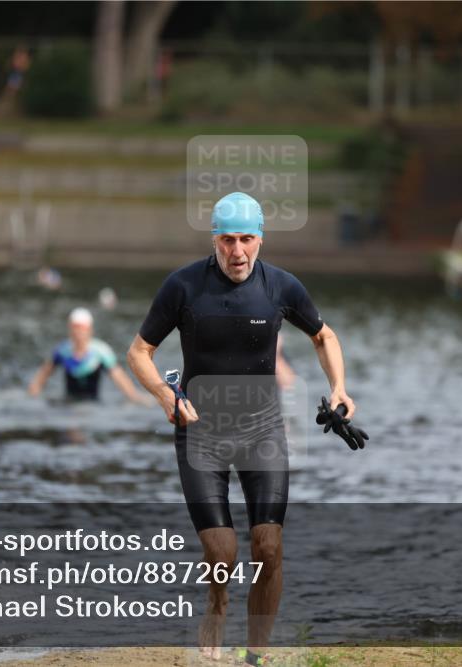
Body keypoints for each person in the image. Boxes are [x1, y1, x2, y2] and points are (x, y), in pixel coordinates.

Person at [126, 191, 357, 665]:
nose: (237, 251)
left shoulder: (281, 287)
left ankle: (256, 654)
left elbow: (323, 336)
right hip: (201, 435)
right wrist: (166, 395)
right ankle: (216, 603)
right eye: (228, 240)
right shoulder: (184, 287)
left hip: (262, 432)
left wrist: (339, 388)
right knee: (223, 551)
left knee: (268, 546)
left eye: (247, 239)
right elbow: (138, 352)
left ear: (261, 240)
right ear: (214, 240)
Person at [28, 307, 148, 404]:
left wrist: (135, 398)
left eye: (82, 328)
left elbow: (119, 378)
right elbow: (44, 373)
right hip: (69, 404)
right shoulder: (63, 351)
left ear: (90, 330)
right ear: (70, 329)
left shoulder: (101, 352)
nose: (78, 332)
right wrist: (33, 393)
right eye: (75, 328)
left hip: (92, 404)